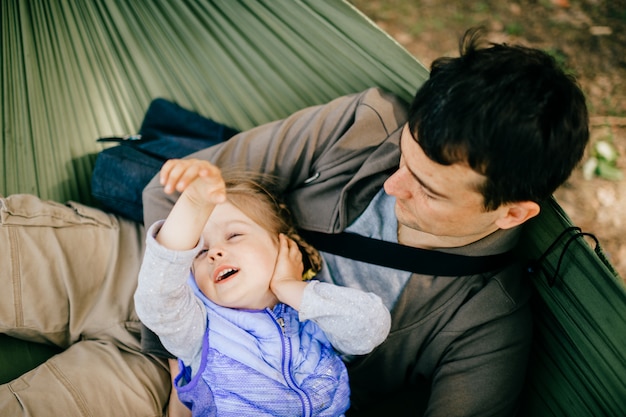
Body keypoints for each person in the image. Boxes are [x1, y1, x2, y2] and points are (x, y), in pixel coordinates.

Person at [0, 28, 589, 417]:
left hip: (201, 399)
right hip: (139, 259)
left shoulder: (488, 322)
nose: (392, 184)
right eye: (404, 158)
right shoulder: (369, 124)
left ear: (513, 212)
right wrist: (187, 261)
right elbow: (174, 186)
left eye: (427, 189)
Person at [134, 160, 390, 416]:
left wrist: (289, 288)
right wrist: (193, 203)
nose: (214, 253)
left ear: (283, 247)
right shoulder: (200, 330)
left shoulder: (315, 314)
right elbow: (157, 298)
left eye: (234, 235)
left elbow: (370, 327)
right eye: (200, 252)